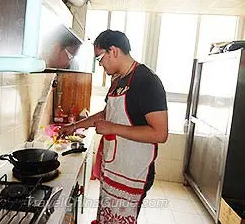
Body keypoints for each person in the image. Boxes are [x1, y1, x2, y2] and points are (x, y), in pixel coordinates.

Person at [59, 29, 168, 223]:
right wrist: (74, 126)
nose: (99, 64)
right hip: (114, 167)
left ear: (114, 51)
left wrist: (112, 128)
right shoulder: (117, 81)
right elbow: (107, 114)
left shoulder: (147, 81)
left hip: (134, 173)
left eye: (100, 58)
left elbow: (160, 133)